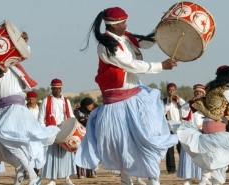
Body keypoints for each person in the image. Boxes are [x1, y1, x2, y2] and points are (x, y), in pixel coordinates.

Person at [74, 7, 179, 185]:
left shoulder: (124, 37)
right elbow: (130, 64)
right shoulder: (107, 46)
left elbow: (145, 42)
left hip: (136, 97)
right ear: (114, 25)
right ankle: (126, 179)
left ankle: (153, 178)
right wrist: (161, 66)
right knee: (122, 146)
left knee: (148, 139)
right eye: (123, 22)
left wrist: (162, 28)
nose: (126, 24)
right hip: (117, 105)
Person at [0, 31, 59, 185]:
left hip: (15, 107)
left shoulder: (9, 56)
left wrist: (21, 41)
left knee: (4, 133)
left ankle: (34, 177)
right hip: (0, 109)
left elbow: (24, 51)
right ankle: (20, 168)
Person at [177, 61, 229, 185]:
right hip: (218, 124)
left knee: (212, 153)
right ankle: (207, 180)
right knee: (219, 155)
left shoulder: (209, 87)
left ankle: (207, 179)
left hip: (206, 123)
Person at [38, 78, 76, 185]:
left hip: (65, 131)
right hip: (52, 131)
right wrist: (45, 131)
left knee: (66, 155)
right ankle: (52, 179)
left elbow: (71, 116)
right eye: (55, 89)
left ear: (61, 88)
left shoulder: (66, 101)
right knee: (52, 155)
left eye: (59, 88)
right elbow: (41, 118)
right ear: (52, 88)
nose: (57, 91)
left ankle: (67, 178)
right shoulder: (46, 100)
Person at [177, 84, 205, 185]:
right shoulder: (188, 104)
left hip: (202, 134)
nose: (198, 94)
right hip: (189, 134)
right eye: (197, 92)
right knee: (188, 156)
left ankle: (203, 179)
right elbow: (182, 113)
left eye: (200, 92)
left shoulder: (206, 105)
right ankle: (187, 179)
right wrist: (191, 103)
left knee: (202, 156)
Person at [163, 82, 185, 174]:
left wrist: (179, 100)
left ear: (175, 90)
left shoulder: (180, 100)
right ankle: (171, 169)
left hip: (180, 127)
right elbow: (162, 112)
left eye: (173, 90)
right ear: (167, 91)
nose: (171, 92)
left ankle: (183, 168)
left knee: (182, 149)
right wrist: (169, 102)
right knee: (170, 150)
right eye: (169, 90)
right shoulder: (164, 101)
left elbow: (186, 108)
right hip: (169, 128)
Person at [74, 97, 97, 179]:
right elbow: (74, 123)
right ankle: (81, 173)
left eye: (92, 104)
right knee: (81, 153)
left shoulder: (94, 113)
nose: (91, 106)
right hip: (80, 136)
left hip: (91, 136)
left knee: (92, 153)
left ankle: (91, 172)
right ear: (85, 105)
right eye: (89, 105)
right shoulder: (77, 112)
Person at [26, 91, 41, 177]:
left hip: (37, 134)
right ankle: (25, 171)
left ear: (36, 99)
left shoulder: (39, 109)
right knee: (26, 153)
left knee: (36, 153)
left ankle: (35, 171)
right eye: (29, 99)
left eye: (33, 99)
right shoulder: (24, 109)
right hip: (26, 134)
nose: (31, 101)